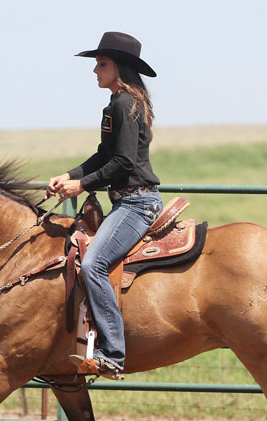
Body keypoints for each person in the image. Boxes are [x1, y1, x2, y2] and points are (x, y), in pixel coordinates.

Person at [45, 31, 163, 379]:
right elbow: (104, 155)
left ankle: (112, 353)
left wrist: (80, 185)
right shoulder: (118, 104)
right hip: (126, 201)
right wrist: (68, 174)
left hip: (136, 204)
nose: (94, 71)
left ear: (119, 68)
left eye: (101, 64)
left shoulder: (125, 105)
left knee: (94, 264)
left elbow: (124, 162)